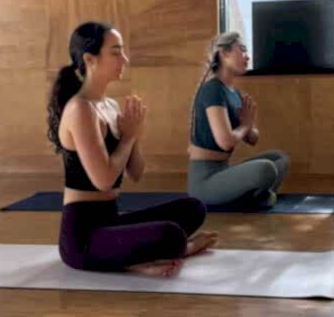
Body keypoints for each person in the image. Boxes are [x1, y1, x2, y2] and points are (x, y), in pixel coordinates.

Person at [47, 21, 218, 277]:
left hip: (111, 221)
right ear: (90, 59)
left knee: (193, 208)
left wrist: (134, 135)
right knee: (170, 235)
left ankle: (134, 254)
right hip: (82, 238)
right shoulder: (80, 109)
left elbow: (136, 172)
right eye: (115, 52)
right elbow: (103, 180)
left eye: (122, 51)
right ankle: (176, 250)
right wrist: (128, 138)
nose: (124, 58)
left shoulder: (111, 106)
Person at [187, 32, 290, 207]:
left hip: (223, 171)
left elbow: (253, 139)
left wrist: (247, 126)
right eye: (242, 50)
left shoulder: (233, 93)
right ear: (224, 53)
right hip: (204, 182)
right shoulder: (212, 90)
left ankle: (252, 196)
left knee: (279, 158)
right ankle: (255, 197)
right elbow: (226, 142)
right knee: (266, 169)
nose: (247, 56)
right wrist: (245, 125)